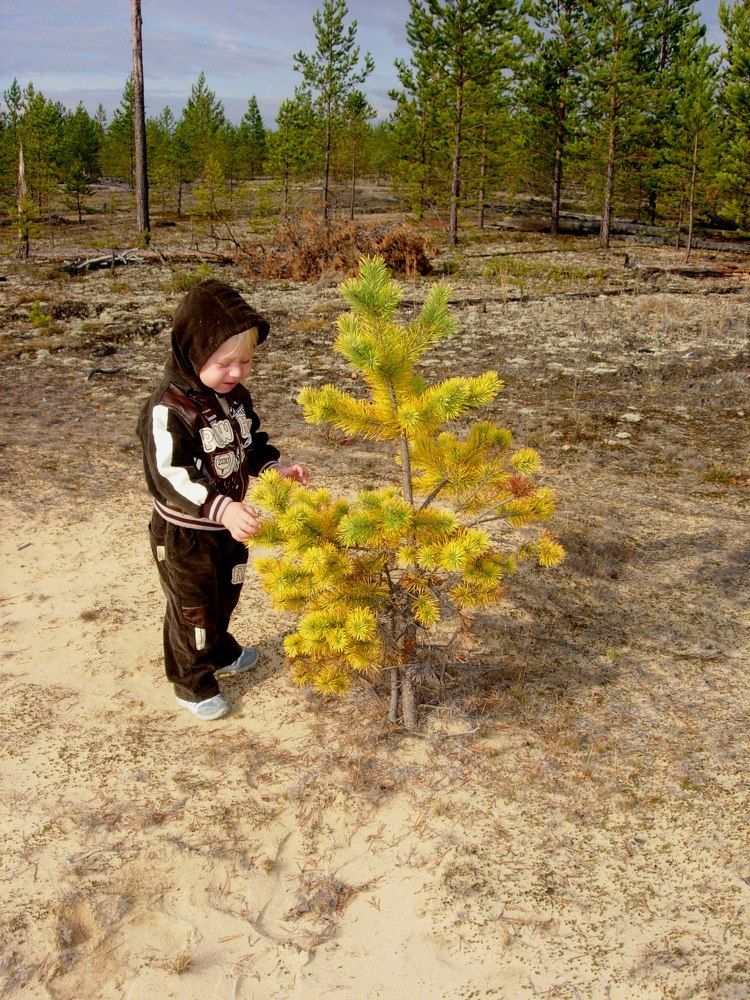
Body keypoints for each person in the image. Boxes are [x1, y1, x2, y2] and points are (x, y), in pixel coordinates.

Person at [137, 279, 308, 721]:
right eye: (224, 363)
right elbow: (170, 475)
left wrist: (273, 470)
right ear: (191, 354)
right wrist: (222, 507)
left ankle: (218, 649)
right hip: (187, 534)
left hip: (227, 530)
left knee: (226, 594)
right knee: (193, 607)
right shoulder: (167, 409)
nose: (236, 373)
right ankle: (191, 681)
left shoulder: (235, 399)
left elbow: (250, 444)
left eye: (246, 361)